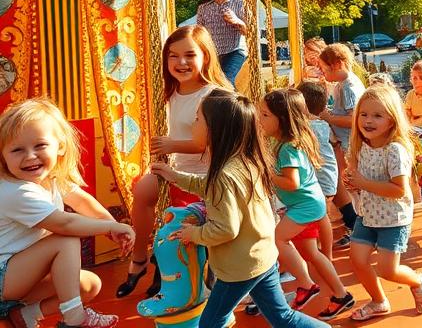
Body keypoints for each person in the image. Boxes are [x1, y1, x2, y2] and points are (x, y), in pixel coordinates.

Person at [150, 89, 329, 328]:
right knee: (281, 317)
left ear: (215, 130)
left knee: (210, 323)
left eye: (197, 120)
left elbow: (225, 229)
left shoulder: (224, 174)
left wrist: (194, 234)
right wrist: (175, 176)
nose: (192, 125)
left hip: (240, 268)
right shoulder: (245, 159)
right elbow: (210, 187)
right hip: (262, 256)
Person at [0, 98, 135, 328]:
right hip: (4, 279)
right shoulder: (15, 191)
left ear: (60, 145)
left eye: (40, 145)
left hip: (20, 282)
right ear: (3, 155)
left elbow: (83, 202)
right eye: (17, 149)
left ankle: (27, 315)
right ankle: (74, 319)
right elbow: (65, 223)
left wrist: (109, 224)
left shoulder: (52, 178)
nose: (30, 156)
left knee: (89, 284)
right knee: (65, 238)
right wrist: (112, 228)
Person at [119, 25, 230, 299]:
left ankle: (181, 275)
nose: (181, 62)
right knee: (142, 191)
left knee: (177, 223)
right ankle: (140, 257)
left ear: (205, 56)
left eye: (189, 55)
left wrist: (171, 145)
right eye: (173, 56)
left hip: (205, 175)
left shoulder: (213, 96)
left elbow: (210, 144)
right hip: (176, 169)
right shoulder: (168, 94)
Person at [259, 89, 353, 317]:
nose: (259, 119)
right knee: (312, 253)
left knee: (277, 239)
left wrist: (266, 172)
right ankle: (341, 295)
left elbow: (292, 182)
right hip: (305, 204)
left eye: (264, 115)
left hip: (305, 206)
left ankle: (305, 283)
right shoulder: (280, 142)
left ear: (281, 120)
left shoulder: (288, 147)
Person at [343, 87, 422, 321]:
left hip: (393, 218)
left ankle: (417, 280)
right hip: (368, 214)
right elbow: (362, 181)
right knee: (358, 260)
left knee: (387, 270)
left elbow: (398, 189)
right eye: (364, 114)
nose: (368, 121)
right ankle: (379, 301)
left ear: (392, 121)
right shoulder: (361, 147)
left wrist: (363, 182)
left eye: (377, 116)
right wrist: (354, 184)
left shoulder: (394, 151)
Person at [316, 44, 363, 243]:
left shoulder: (349, 87)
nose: (323, 73)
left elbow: (354, 119)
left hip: (351, 143)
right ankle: (359, 226)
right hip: (345, 143)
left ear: (338, 64)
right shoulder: (341, 85)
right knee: (350, 185)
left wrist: (329, 118)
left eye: (325, 69)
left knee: (355, 185)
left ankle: (363, 227)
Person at [295, 81, 338, 262]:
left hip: (319, 178)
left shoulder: (303, 127)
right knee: (323, 216)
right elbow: (334, 141)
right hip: (328, 175)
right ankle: (324, 253)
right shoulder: (323, 124)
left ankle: (323, 254)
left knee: (321, 217)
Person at [195, 0, 249, 87]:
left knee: (226, 79)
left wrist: (237, 21)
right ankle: (235, 104)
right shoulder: (204, 8)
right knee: (213, 84)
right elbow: (199, 34)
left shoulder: (240, 3)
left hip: (235, 50)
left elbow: (250, 32)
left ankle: (232, 105)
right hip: (214, 53)